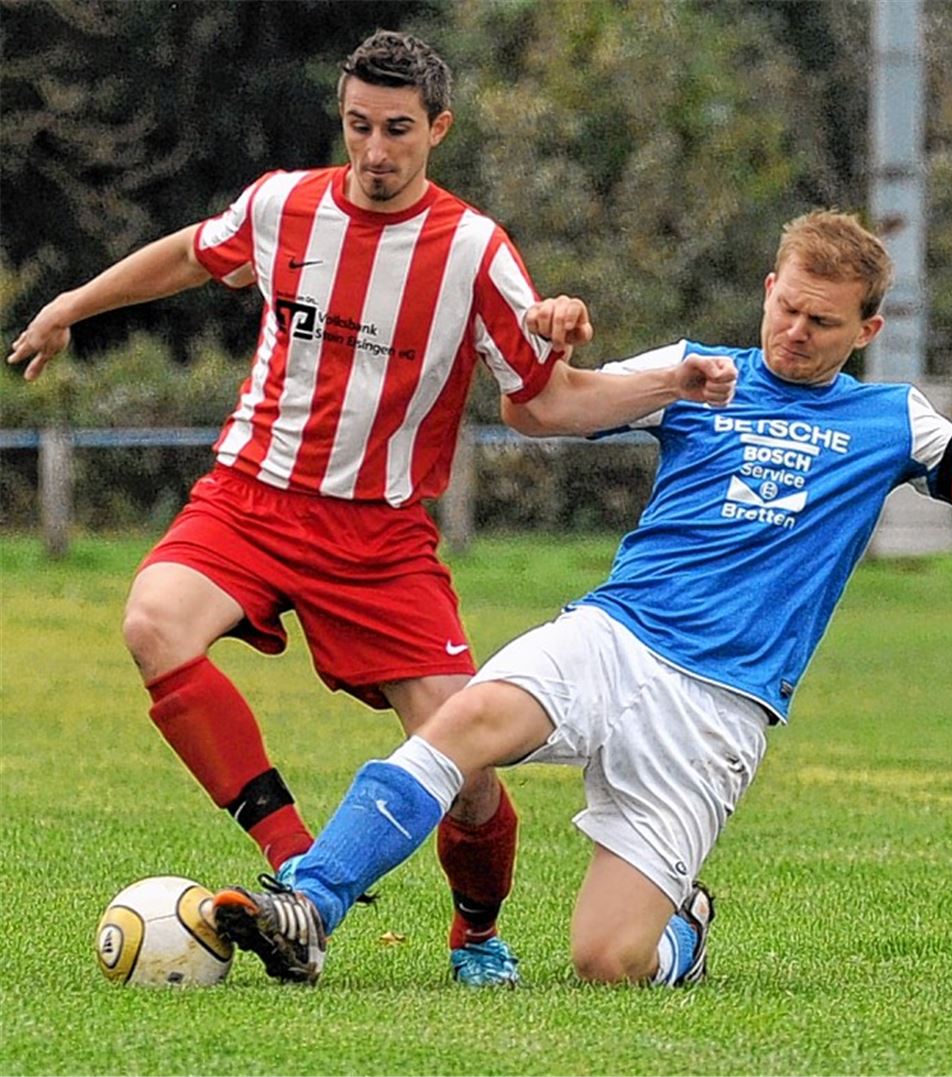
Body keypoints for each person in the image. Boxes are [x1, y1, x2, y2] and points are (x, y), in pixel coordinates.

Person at [209, 208, 952, 988]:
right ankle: (312, 902)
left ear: (867, 331)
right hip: (617, 633)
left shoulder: (892, 420)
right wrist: (554, 339)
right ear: (769, 286)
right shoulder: (699, 370)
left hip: (718, 706)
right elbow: (543, 409)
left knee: (606, 962)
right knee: (463, 720)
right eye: (786, 305)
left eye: (823, 321)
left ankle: (682, 929)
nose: (796, 331)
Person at [5, 30, 736, 987]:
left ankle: (476, 934)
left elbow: (541, 403)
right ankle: (299, 871)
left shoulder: (475, 252)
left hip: (381, 537)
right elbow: (192, 253)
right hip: (251, 497)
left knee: (468, 780)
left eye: (398, 130)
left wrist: (668, 385)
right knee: (154, 623)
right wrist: (72, 304)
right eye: (358, 127)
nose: (375, 151)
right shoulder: (283, 205)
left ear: (438, 128)